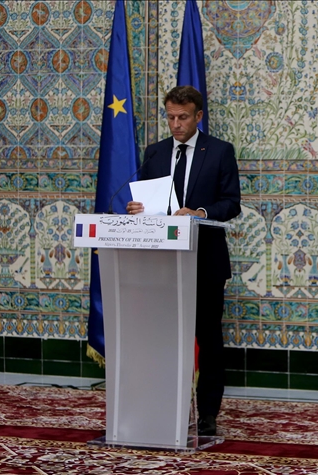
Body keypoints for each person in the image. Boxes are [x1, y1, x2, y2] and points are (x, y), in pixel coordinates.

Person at [126, 85, 241, 436]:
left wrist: (199, 213)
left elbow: (231, 203)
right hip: (162, 264)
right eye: (171, 117)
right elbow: (150, 200)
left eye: (183, 117)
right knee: (163, 338)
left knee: (208, 339)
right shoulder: (155, 153)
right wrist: (137, 209)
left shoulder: (219, 151)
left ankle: (207, 414)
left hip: (205, 261)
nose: (176, 124)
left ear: (198, 116)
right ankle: (162, 407)